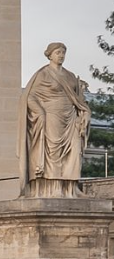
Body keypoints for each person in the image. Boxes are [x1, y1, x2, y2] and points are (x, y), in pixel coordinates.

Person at [22, 42, 91, 199]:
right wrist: (39, 112)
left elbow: (79, 100)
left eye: (63, 52)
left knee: (74, 150)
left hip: (71, 117)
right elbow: (29, 97)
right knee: (53, 153)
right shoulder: (43, 74)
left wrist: (85, 113)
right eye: (58, 52)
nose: (61, 55)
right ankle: (53, 189)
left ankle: (71, 188)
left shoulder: (70, 76)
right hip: (51, 116)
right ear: (50, 55)